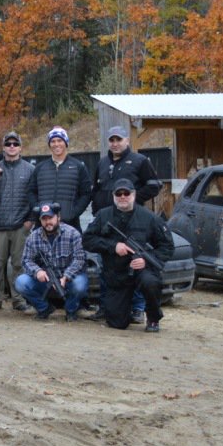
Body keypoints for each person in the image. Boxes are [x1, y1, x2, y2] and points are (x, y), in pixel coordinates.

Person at [90, 126, 163, 324]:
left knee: (133, 264)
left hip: (130, 223)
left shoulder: (139, 161)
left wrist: (131, 200)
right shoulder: (103, 163)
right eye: (111, 140)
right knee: (106, 267)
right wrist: (97, 211)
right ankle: (105, 306)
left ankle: (138, 308)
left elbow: (155, 186)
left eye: (119, 139)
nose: (115, 143)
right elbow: (96, 189)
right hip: (106, 223)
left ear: (127, 141)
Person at [84, 178, 174, 332]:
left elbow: (167, 246)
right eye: (119, 193)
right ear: (113, 196)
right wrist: (113, 246)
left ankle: (153, 317)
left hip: (143, 269)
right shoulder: (103, 216)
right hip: (117, 273)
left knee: (150, 282)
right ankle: (126, 310)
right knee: (117, 323)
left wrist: (146, 261)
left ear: (134, 194)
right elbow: (87, 240)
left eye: (127, 193)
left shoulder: (150, 218)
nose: (123, 196)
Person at [0, 131, 35, 312]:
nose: (12, 147)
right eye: (8, 144)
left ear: (20, 147)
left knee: (19, 264)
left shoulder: (29, 169)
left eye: (15, 144)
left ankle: (18, 299)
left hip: (20, 225)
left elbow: (34, 196)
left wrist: (30, 220)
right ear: (3, 147)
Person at [15, 202, 88, 321]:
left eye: (51, 218)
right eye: (44, 219)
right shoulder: (33, 237)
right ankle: (44, 308)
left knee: (80, 285)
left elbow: (79, 259)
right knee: (21, 282)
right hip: (45, 280)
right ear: (40, 220)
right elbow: (26, 260)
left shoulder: (72, 233)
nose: (48, 222)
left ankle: (70, 310)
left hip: (68, 278)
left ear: (58, 217)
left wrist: (66, 276)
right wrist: (38, 271)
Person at [26, 126, 91, 232]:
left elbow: (86, 193)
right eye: (53, 141)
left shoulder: (78, 166)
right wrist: (38, 208)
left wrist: (74, 213)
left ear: (66, 143)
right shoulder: (40, 168)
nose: (56, 144)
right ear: (49, 144)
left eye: (60, 140)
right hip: (43, 224)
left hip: (70, 225)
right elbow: (30, 191)